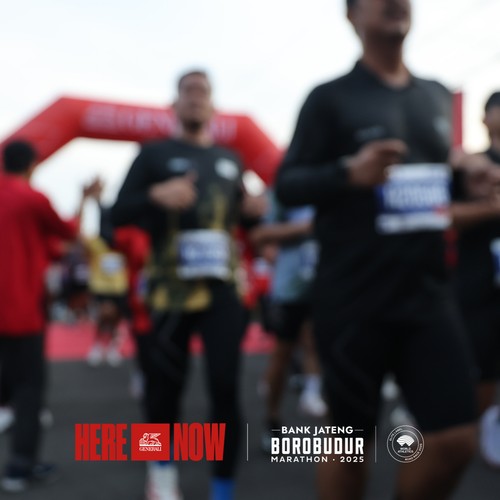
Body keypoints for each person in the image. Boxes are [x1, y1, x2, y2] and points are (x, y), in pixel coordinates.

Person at [274, 0, 490, 498]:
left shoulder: (434, 95)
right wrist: (348, 173)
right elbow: (288, 184)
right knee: (350, 449)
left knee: (455, 438)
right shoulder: (329, 98)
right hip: (354, 297)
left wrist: (467, 175)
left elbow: (435, 178)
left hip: (428, 295)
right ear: (352, 15)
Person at [111, 70, 263, 500]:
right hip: (169, 291)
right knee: (162, 389)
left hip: (221, 290)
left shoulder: (231, 159)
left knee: (225, 387)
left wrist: (254, 210)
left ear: (214, 106)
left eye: (203, 92)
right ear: (174, 104)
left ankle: (222, 487)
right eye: (188, 91)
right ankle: (160, 472)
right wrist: (154, 196)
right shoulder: (153, 154)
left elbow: (246, 219)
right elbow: (116, 213)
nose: (196, 98)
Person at [0, 140, 89, 492]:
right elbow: (68, 233)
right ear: (32, 165)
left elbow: (52, 248)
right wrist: (85, 199)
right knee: (29, 389)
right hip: (22, 313)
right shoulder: (32, 199)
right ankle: (20, 466)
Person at [250, 191, 326, 453]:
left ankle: (313, 393)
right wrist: (303, 228)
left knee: (317, 342)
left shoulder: (340, 181)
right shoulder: (286, 189)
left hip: (328, 286)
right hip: (290, 290)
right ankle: (272, 420)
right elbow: (260, 235)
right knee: (282, 352)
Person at [453, 91, 500, 468]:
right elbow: (446, 214)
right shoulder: (470, 166)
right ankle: (481, 426)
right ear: (484, 119)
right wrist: (490, 208)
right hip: (478, 281)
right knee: (481, 360)